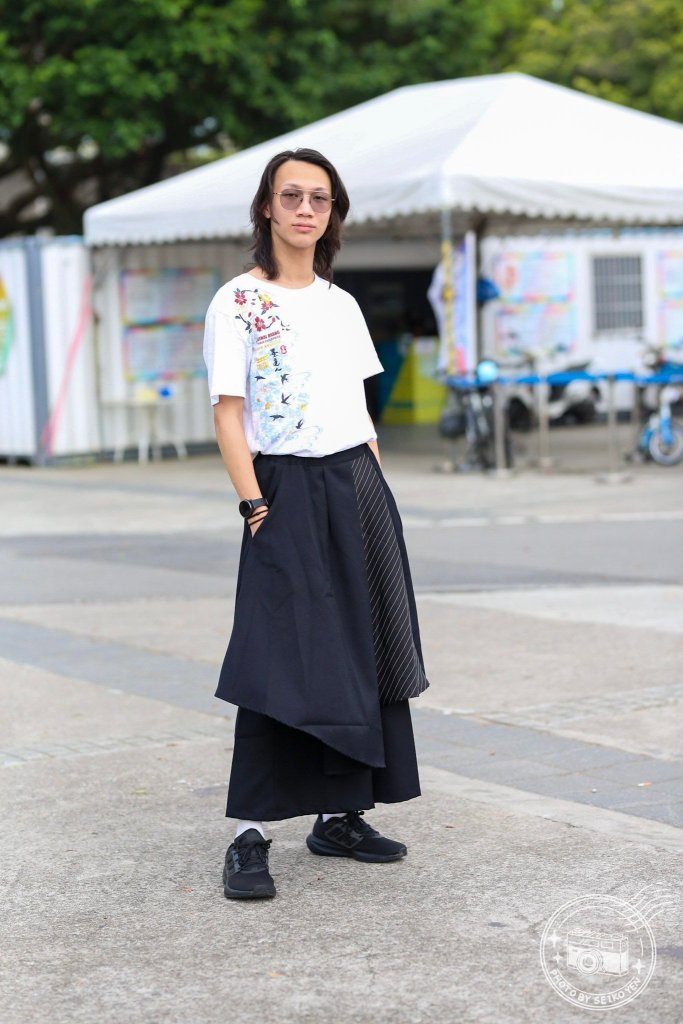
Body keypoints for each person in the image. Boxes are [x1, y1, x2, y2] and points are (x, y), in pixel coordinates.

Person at [202, 147, 430, 901]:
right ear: (266, 207)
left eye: (319, 199)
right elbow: (228, 413)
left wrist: (375, 485)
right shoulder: (238, 301)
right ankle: (248, 835)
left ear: (333, 214)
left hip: (356, 483)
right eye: (291, 195)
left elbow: (359, 410)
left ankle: (340, 816)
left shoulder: (341, 304)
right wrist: (253, 503)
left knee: (359, 647)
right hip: (283, 487)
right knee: (278, 654)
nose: (305, 209)